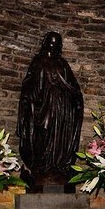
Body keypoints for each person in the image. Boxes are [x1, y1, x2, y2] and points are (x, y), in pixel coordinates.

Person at [17, 31, 83, 191]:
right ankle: (42, 167)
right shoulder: (38, 61)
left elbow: (73, 86)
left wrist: (76, 100)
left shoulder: (62, 63)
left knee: (60, 137)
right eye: (51, 43)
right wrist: (28, 100)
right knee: (43, 134)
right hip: (42, 106)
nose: (54, 46)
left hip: (62, 108)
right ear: (46, 43)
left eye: (57, 44)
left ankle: (58, 166)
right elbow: (28, 84)